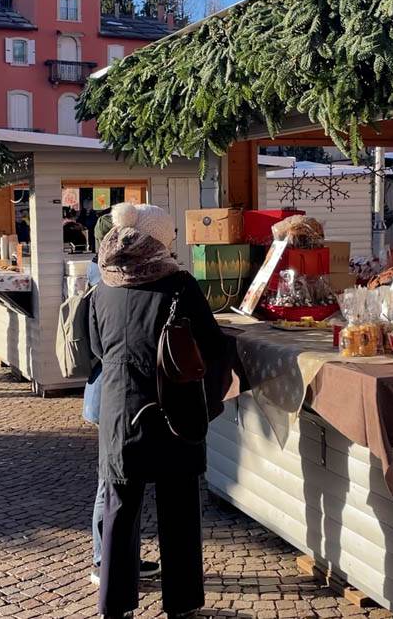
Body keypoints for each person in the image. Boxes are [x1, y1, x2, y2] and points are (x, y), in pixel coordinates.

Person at [88, 203, 226, 619]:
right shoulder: (179, 284)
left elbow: (95, 347)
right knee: (179, 509)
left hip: (118, 409)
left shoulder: (103, 286)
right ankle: (181, 604)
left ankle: (115, 605)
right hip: (173, 408)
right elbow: (212, 345)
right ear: (159, 241)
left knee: (118, 508)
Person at [83, 215, 162, 587]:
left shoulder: (101, 276)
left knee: (113, 480)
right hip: (114, 393)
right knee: (111, 482)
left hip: (107, 391)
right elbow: (101, 346)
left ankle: (113, 558)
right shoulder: (110, 279)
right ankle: (104, 561)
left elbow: (96, 345)